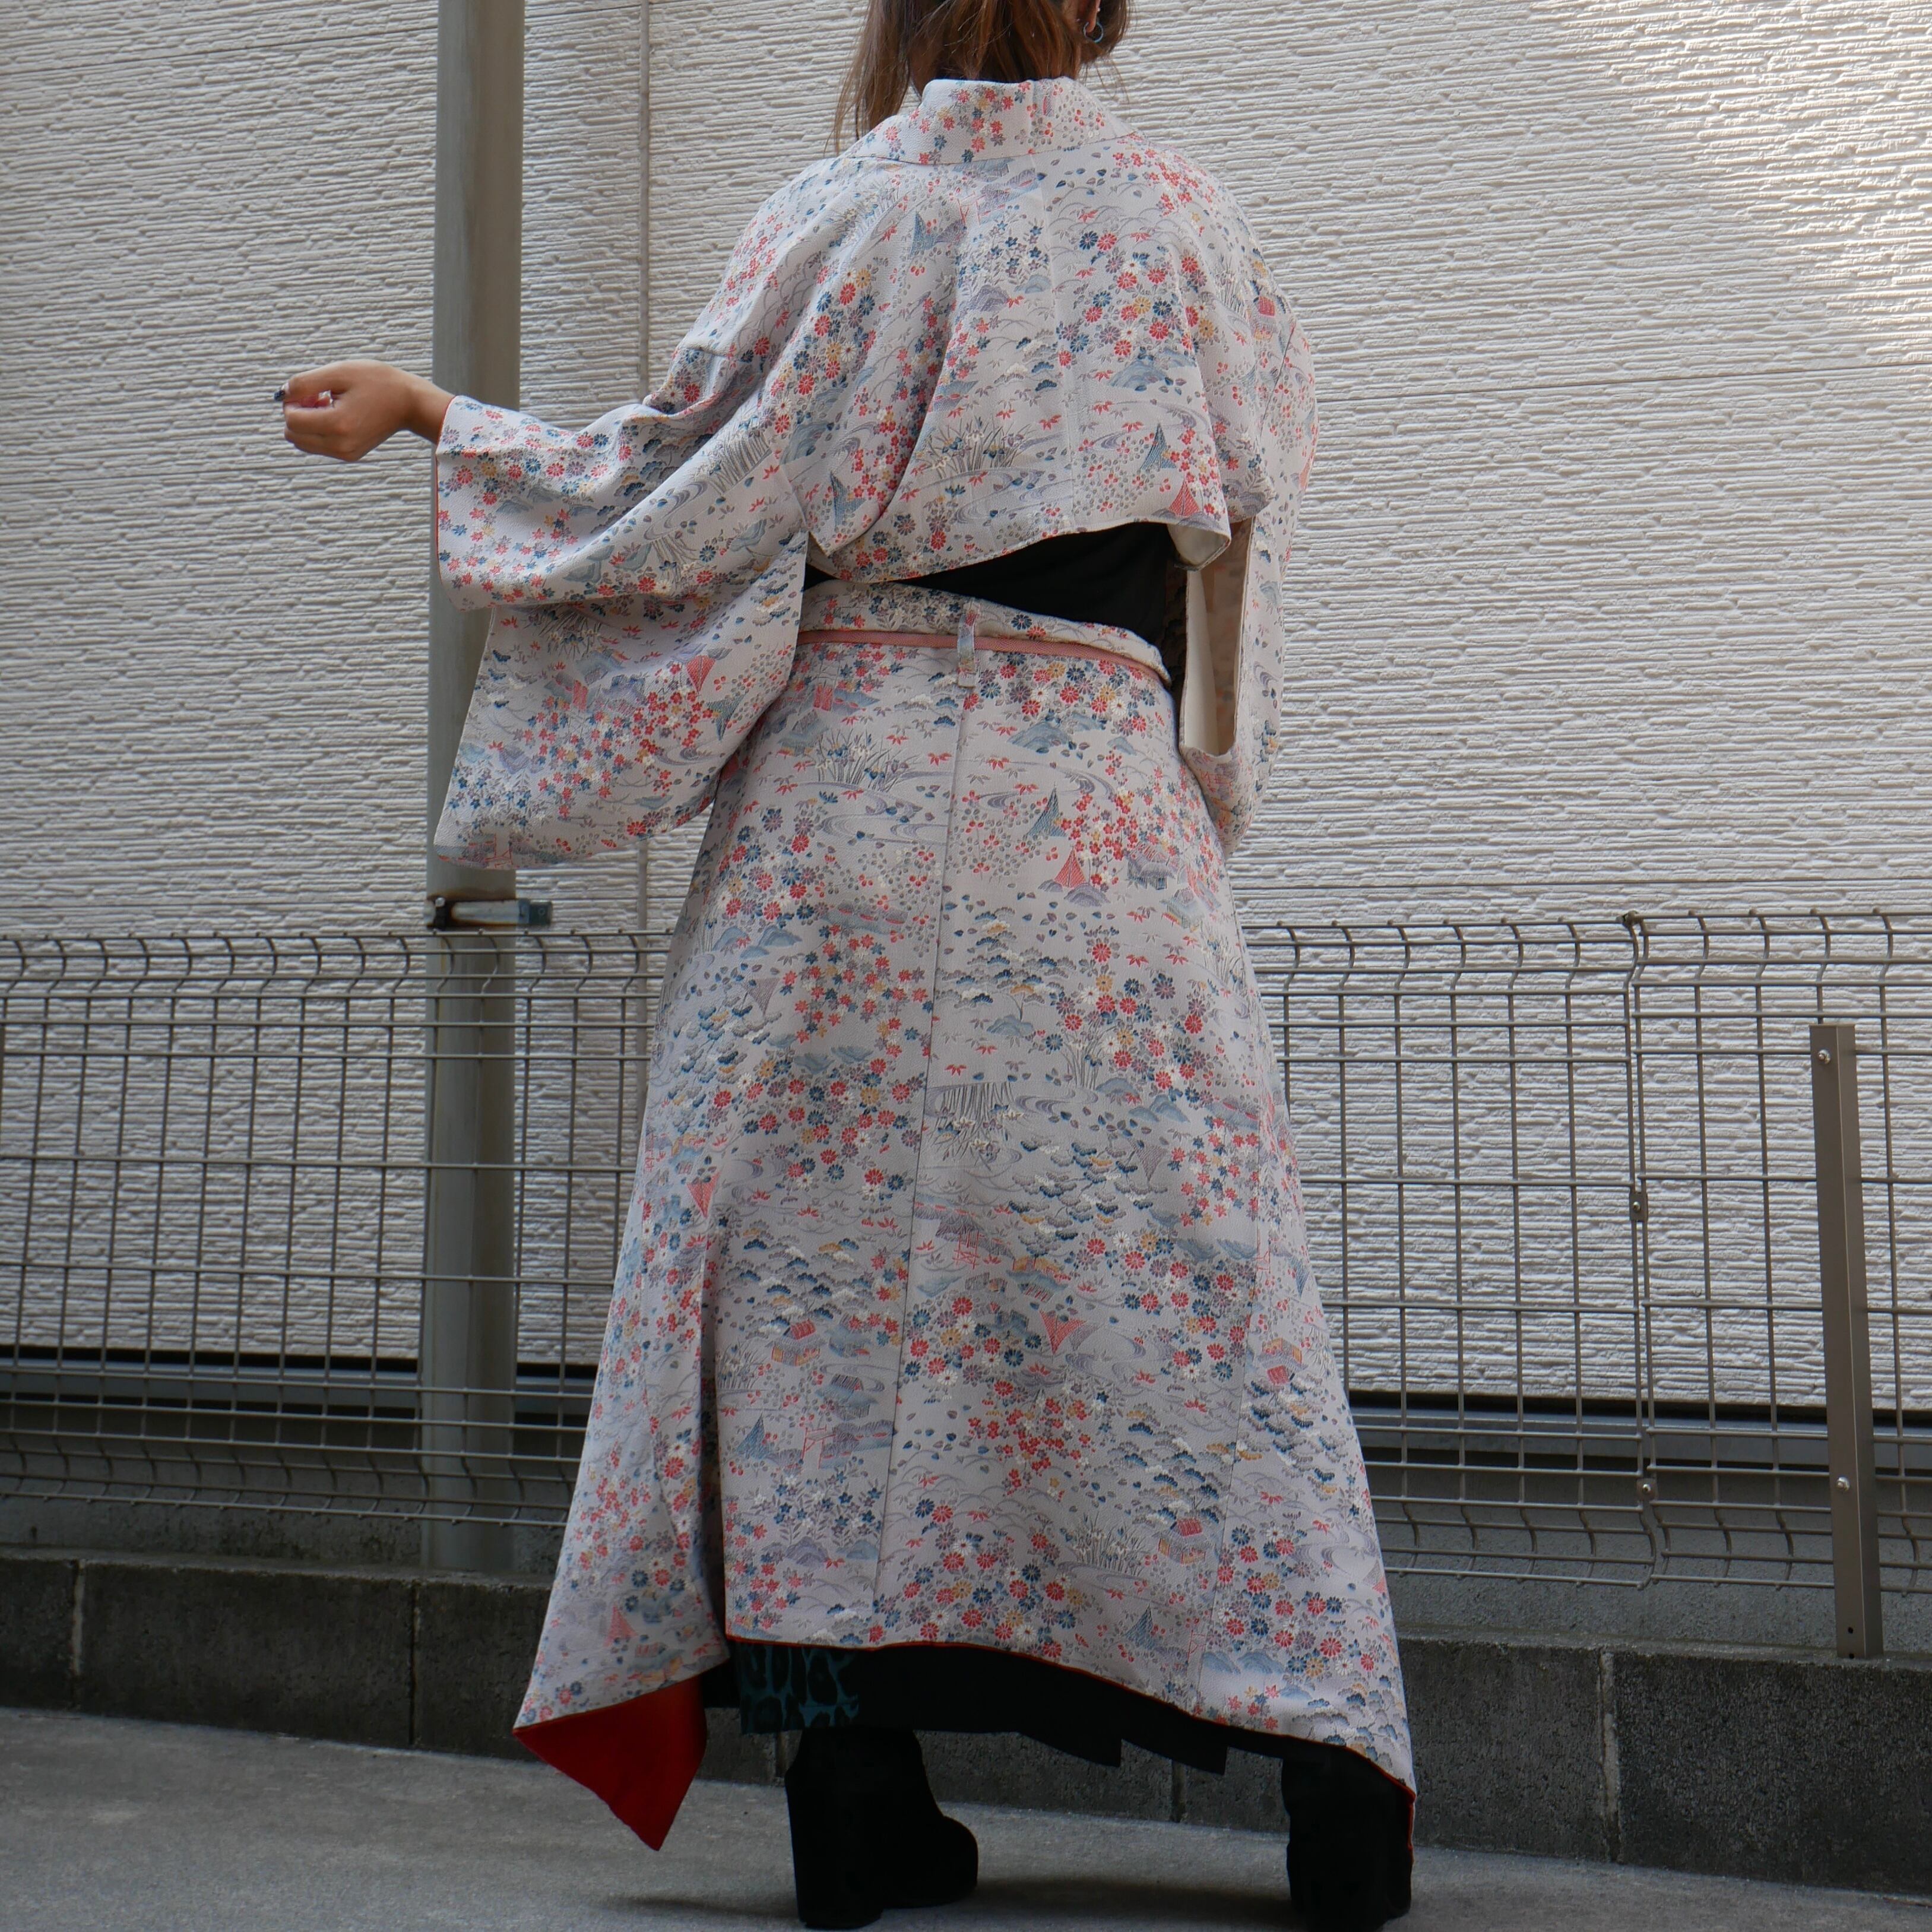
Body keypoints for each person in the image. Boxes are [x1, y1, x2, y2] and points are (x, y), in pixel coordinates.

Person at [284, 2, 1414, 1925]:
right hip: (1092, 813)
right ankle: (1335, 1781)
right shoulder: (1188, 223)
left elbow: (675, 488)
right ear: (1096, 14)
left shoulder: (845, 216)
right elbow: (1234, 531)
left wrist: (438, 414)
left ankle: (853, 1800)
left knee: (798, 1288)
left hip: (843, 819)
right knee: (1191, 1272)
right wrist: (1202, 778)